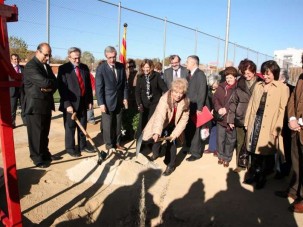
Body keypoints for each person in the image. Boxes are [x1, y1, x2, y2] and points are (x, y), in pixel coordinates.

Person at [244, 60, 289, 189]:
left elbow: (283, 110)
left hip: (270, 123)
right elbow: (252, 104)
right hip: (255, 121)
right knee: (253, 150)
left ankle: (261, 176)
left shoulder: (282, 88)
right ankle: (254, 173)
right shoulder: (258, 85)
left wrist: (277, 128)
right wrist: (247, 121)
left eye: (269, 73)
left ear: (275, 73)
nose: (266, 76)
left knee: (264, 152)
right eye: (264, 73)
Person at [142, 78, 189, 176]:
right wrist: (157, 132)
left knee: (172, 143)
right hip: (163, 122)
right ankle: (155, 153)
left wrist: (175, 134)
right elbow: (160, 116)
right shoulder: (164, 99)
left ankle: (170, 165)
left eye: (180, 93)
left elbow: (184, 120)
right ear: (172, 90)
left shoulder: (186, 102)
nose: (178, 95)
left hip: (175, 124)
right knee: (157, 139)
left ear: (183, 92)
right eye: (175, 92)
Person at [275, 54, 303, 213]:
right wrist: (292, 118)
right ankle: (294, 191)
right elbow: (293, 99)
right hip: (296, 130)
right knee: (296, 162)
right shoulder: (300, 77)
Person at [23, 43, 58, 168]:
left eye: (49, 55)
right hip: (35, 106)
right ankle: (36, 157)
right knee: (36, 133)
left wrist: (48, 88)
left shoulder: (47, 67)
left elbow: (55, 83)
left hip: (46, 104)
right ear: (38, 52)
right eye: (46, 54)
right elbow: (44, 81)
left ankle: (44, 153)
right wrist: (49, 84)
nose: (48, 57)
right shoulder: (31, 66)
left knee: (44, 132)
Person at [57, 47, 94, 158]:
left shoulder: (84, 68)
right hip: (70, 104)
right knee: (70, 127)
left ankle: (83, 145)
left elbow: (87, 86)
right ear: (69, 57)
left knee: (83, 125)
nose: (77, 60)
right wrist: (67, 104)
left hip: (83, 102)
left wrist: (90, 100)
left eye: (78, 58)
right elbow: (62, 88)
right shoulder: (63, 69)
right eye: (75, 58)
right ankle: (70, 148)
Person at [227, 59, 260, 172]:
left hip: (255, 118)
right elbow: (233, 102)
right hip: (240, 117)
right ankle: (240, 165)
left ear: (254, 70)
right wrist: (231, 119)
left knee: (252, 143)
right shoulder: (239, 84)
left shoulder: (261, 84)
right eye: (244, 73)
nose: (246, 75)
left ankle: (251, 166)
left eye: (249, 72)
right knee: (240, 142)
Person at [95, 46, 128, 151]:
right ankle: (109, 146)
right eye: (109, 57)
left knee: (118, 125)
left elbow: (124, 84)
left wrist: (125, 97)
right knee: (108, 126)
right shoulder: (101, 69)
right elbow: (98, 87)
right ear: (106, 56)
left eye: (114, 57)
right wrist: (101, 103)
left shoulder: (121, 66)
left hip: (119, 101)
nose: (112, 59)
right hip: (107, 102)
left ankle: (117, 143)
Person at [135, 59, 168, 138]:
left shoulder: (156, 75)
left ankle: (150, 142)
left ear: (151, 67)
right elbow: (137, 92)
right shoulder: (140, 76)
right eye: (144, 67)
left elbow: (164, 88)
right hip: (143, 103)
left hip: (154, 103)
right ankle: (141, 142)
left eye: (148, 67)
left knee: (152, 122)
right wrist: (139, 104)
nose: (146, 69)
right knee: (142, 122)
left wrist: (168, 98)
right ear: (142, 68)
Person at [184, 55, 208, 161]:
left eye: (187, 61)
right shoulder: (189, 74)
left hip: (197, 107)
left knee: (197, 130)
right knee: (190, 129)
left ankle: (196, 153)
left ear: (193, 63)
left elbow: (202, 92)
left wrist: (199, 108)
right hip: (190, 106)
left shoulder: (200, 74)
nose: (186, 63)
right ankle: (191, 148)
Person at [213, 66, 237, 167]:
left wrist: (226, 109)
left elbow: (236, 102)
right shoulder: (221, 86)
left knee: (230, 140)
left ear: (235, 77)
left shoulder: (238, 88)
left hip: (231, 118)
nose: (228, 80)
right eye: (227, 77)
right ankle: (220, 156)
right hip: (221, 118)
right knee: (220, 139)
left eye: (231, 77)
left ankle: (227, 158)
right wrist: (219, 108)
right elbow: (215, 99)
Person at [275, 69, 295, 179]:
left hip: (286, 124)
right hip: (275, 122)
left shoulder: (292, 89)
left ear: (282, 79)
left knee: (285, 148)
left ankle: (284, 170)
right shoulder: (274, 89)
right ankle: (275, 168)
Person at [204, 74, 221, 156]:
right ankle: (211, 148)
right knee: (213, 130)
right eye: (211, 84)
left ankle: (217, 149)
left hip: (218, 113)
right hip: (209, 113)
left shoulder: (221, 90)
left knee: (219, 131)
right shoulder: (208, 90)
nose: (213, 86)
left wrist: (215, 110)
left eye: (214, 83)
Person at [10, 53, 26, 127]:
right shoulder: (8, 69)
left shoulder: (22, 68)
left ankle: (25, 122)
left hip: (22, 90)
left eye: (17, 59)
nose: (16, 60)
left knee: (24, 106)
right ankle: (12, 123)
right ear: (11, 60)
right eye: (14, 59)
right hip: (12, 91)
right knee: (13, 108)